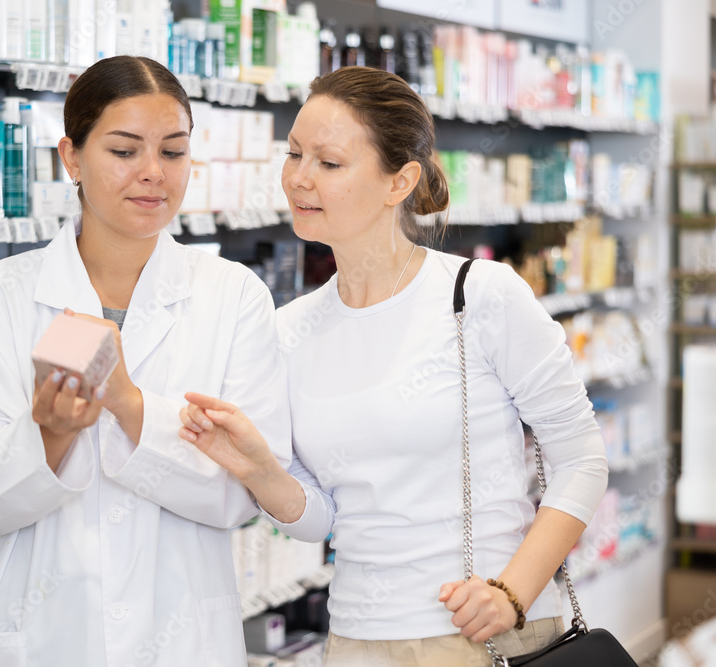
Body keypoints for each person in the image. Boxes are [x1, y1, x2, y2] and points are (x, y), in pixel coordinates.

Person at [179, 66, 609, 666]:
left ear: (399, 181)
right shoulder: (289, 329)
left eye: (328, 164)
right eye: (294, 154)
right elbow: (321, 518)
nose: (300, 179)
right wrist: (260, 472)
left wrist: (513, 591)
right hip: (356, 637)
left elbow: (581, 457)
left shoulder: (478, 296)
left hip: (487, 636)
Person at [0, 55, 290, 666]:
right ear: (71, 158)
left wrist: (129, 406)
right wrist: (47, 434)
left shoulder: (234, 298)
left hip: (180, 635)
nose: (152, 173)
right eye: (124, 151)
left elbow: (244, 493)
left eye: (172, 152)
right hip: (39, 633)